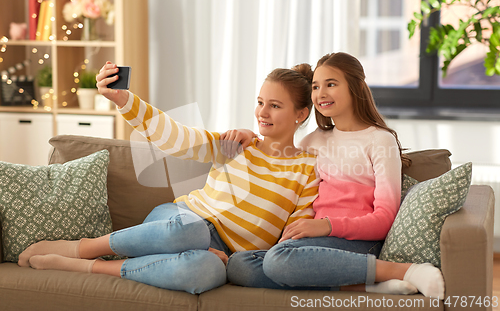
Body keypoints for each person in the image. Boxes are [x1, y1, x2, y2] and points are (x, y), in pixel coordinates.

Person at [17, 61, 321, 295]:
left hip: (222, 254)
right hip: (179, 223)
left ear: (301, 114)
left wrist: (244, 259)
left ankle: (86, 267)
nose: (262, 112)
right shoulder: (238, 143)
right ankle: (81, 248)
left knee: (204, 274)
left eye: (275, 105)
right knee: (194, 234)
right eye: (260, 102)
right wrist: (124, 100)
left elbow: (293, 234)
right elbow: (177, 138)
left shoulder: (307, 169)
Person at [222, 52, 445, 299]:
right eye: (316, 87)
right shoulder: (313, 141)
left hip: (359, 242)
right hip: (315, 242)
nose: (321, 94)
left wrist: (325, 225)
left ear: (356, 87)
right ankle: (364, 285)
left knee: (278, 261)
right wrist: (249, 136)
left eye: (331, 84)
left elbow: (384, 219)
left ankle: (403, 271)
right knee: (239, 265)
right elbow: (277, 155)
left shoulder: (380, 141)